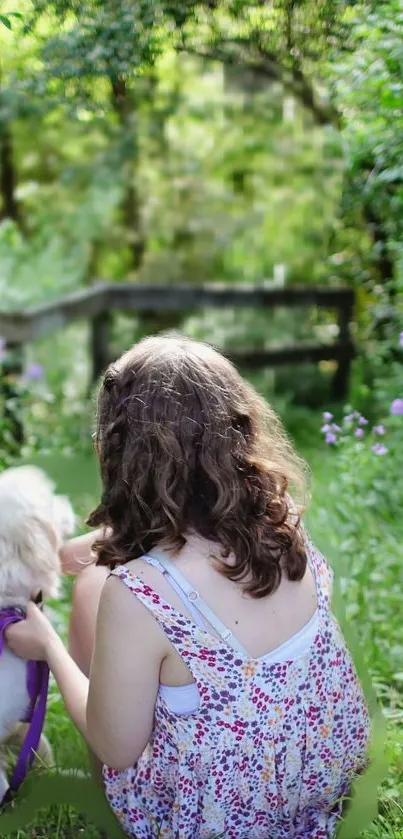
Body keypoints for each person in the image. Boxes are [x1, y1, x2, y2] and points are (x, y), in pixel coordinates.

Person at [5, 335, 371, 839]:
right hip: (307, 791)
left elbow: (119, 749)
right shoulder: (281, 524)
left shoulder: (139, 592)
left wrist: (47, 646)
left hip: (211, 822)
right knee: (93, 578)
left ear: (123, 451)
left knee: (93, 589)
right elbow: (84, 553)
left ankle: (111, 800)